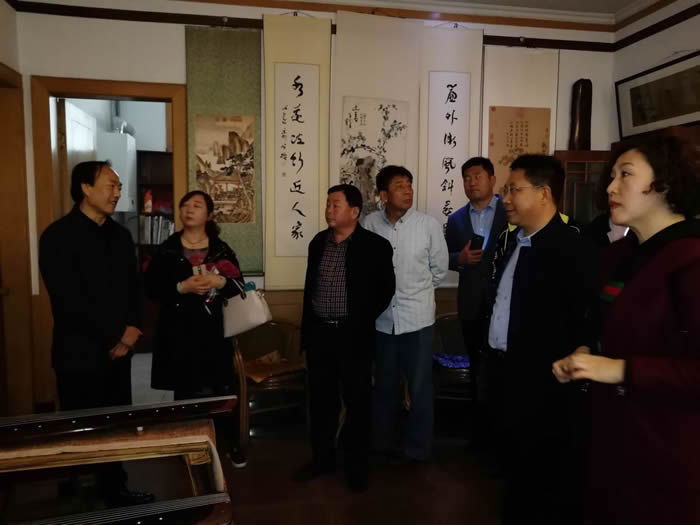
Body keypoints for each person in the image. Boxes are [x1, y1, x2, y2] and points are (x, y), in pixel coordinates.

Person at [553, 136, 700, 525]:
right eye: (612, 175)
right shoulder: (620, 254)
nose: (610, 187)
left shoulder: (690, 258)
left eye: (626, 175)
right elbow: (607, 326)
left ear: (665, 182)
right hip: (612, 437)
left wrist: (618, 369)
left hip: (666, 447)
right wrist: (586, 352)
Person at [486, 154, 597, 524]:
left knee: (544, 477)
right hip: (506, 375)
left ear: (544, 193)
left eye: (514, 190)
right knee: (515, 470)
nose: (506, 198)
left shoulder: (573, 249)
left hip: (546, 387)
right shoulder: (515, 242)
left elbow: (585, 320)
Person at [39, 161, 153, 506]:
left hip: (120, 351)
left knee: (114, 422)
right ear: (85, 188)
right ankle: (74, 487)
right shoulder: (57, 236)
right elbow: (68, 300)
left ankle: (115, 489)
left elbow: (135, 289)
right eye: (110, 185)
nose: (117, 193)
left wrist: (132, 330)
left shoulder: (121, 235)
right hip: (79, 350)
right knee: (80, 423)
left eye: (119, 187)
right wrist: (115, 335)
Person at [299, 184, 395, 492]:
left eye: (335, 204)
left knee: (357, 403)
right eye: (328, 204)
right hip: (320, 335)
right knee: (321, 402)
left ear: (354, 211)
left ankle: (357, 467)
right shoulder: (318, 242)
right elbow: (310, 289)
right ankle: (322, 459)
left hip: (354, 337)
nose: (329, 209)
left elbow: (386, 290)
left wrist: (360, 319)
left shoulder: (375, 246)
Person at [145, 190, 246, 465]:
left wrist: (220, 282)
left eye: (197, 205)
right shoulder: (167, 249)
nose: (189, 209)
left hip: (214, 331)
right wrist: (182, 287)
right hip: (178, 331)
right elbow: (151, 289)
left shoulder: (221, 249)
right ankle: (188, 445)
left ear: (209, 215)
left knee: (221, 389)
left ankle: (229, 443)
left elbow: (240, 286)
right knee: (184, 391)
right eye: (185, 205)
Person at [363, 165, 449, 463]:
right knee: (384, 386)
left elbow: (439, 270)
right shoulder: (370, 224)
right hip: (382, 321)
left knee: (421, 387)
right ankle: (382, 444)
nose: (408, 190)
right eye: (400, 186)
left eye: (409, 185)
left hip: (418, 320)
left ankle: (418, 449)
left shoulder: (428, 225)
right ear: (384, 195)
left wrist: (415, 294)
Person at [445, 157, 507, 446]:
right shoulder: (456, 219)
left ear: (492, 179)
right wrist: (460, 258)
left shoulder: (510, 211)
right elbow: (445, 257)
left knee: (502, 368)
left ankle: (501, 428)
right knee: (476, 365)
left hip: (503, 303)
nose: (471, 182)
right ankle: (479, 430)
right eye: (466, 177)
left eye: (477, 176)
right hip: (470, 302)